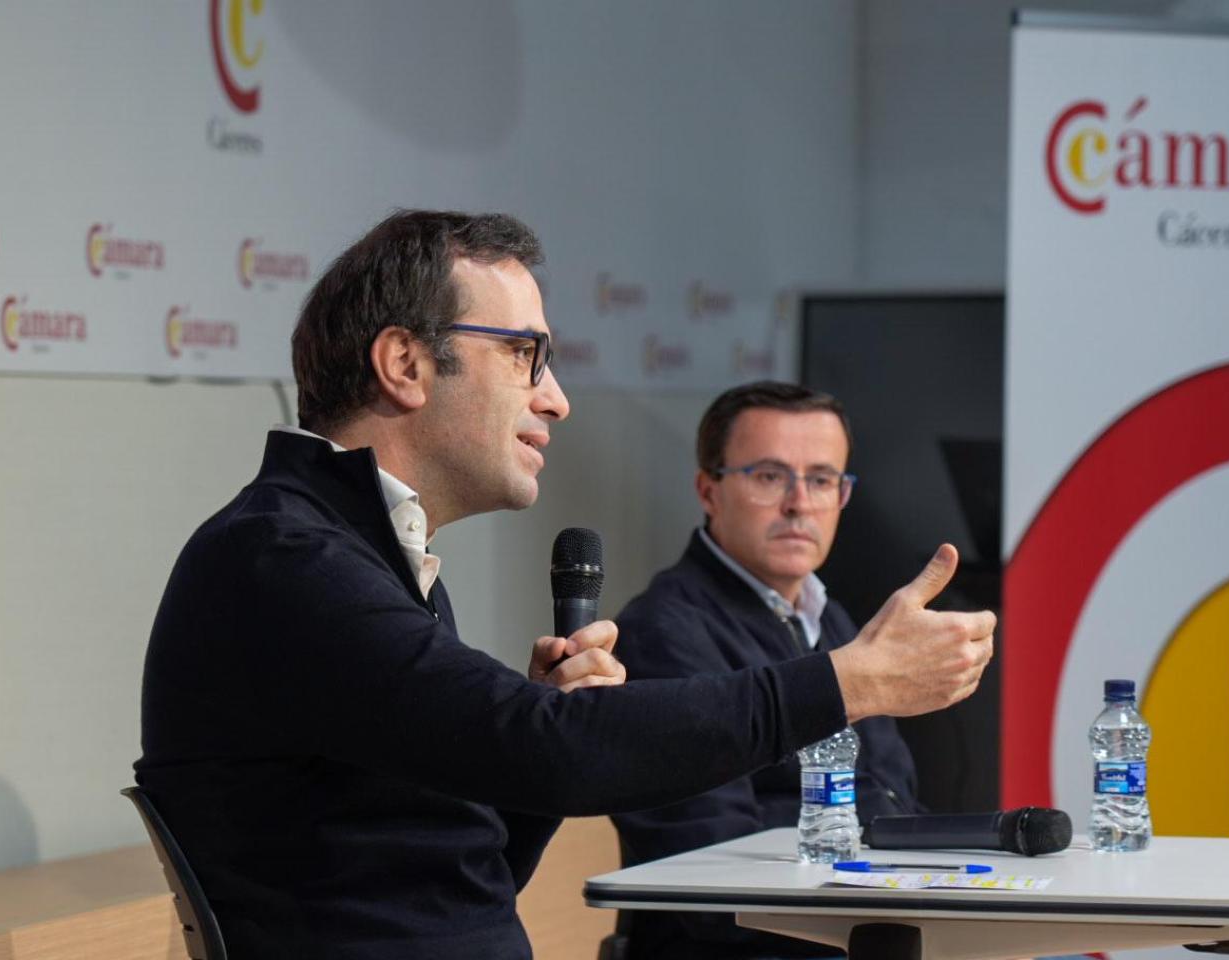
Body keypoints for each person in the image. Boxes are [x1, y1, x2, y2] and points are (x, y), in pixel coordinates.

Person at [135, 210, 996, 960]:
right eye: (525, 355)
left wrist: (544, 735)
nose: (556, 400)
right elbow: (548, 757)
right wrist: (848, 683)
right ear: (404, 363)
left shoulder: (364, 554)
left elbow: (464, 875)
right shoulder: (283, 558)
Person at [611, 381, 921, 960]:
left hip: (858, 928)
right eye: (770, 476)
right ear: (709, 490)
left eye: (822, 480)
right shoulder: (663, 632)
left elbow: (895, 797)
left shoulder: (832, 620)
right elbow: (711, 869)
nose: (799, 503)